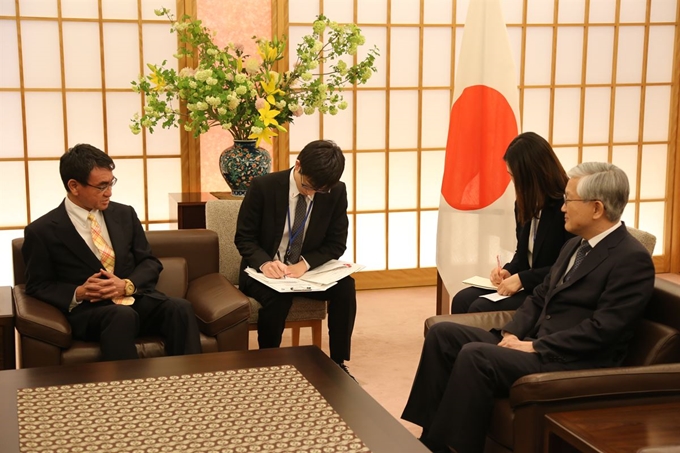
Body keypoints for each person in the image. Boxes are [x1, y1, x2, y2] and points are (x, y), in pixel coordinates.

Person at [402, 162, 655, 453]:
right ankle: (429, 439)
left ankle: (457, 448)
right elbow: (539, 297)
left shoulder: (630, 259)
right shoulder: (574, 246)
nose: (562, 208)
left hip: (571, 360)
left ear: (597, 208)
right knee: (443, 334)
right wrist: (512, 334)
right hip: (535, 343)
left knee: (477, 355)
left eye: (568, 200)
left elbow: (603, 330)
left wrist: (537, 347)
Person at [22, 144, 201, 361]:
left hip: (132, 300)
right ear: (74, 186)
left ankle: (190, 384)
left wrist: (126, 285)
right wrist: (79, 293)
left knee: (180, 308)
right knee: (121, 316)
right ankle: (127, 391)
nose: (109, 192)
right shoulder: (42, 231)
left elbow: (149, 262)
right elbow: (37, 285)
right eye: (101, 186)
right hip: (90, 312)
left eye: (111, 183)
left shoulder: (124, 214)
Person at [234, 139, 356, 376]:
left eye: (320, 190)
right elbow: (244, 238)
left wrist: (305, 264)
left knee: (346, 288)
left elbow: (336, 243)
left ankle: (338, 363)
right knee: (276, 299)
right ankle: (268, 363)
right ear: (298, 165)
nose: (312, 193)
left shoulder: (336, 191)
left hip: (306, 272)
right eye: (309, 186)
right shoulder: (264, 187)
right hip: (264, 272)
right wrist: (266, 263)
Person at [451, 132, 574, 313]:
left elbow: (569, 265)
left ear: (531, 175)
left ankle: (485, 342)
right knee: (461, 299)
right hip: (528, 283)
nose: (512, 181)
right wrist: (508, 271)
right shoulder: (524, 202)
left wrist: (523, 279)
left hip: (549, 289)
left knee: (480, 307)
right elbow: (523, 253)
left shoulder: (566, 207)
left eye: (514, 175)